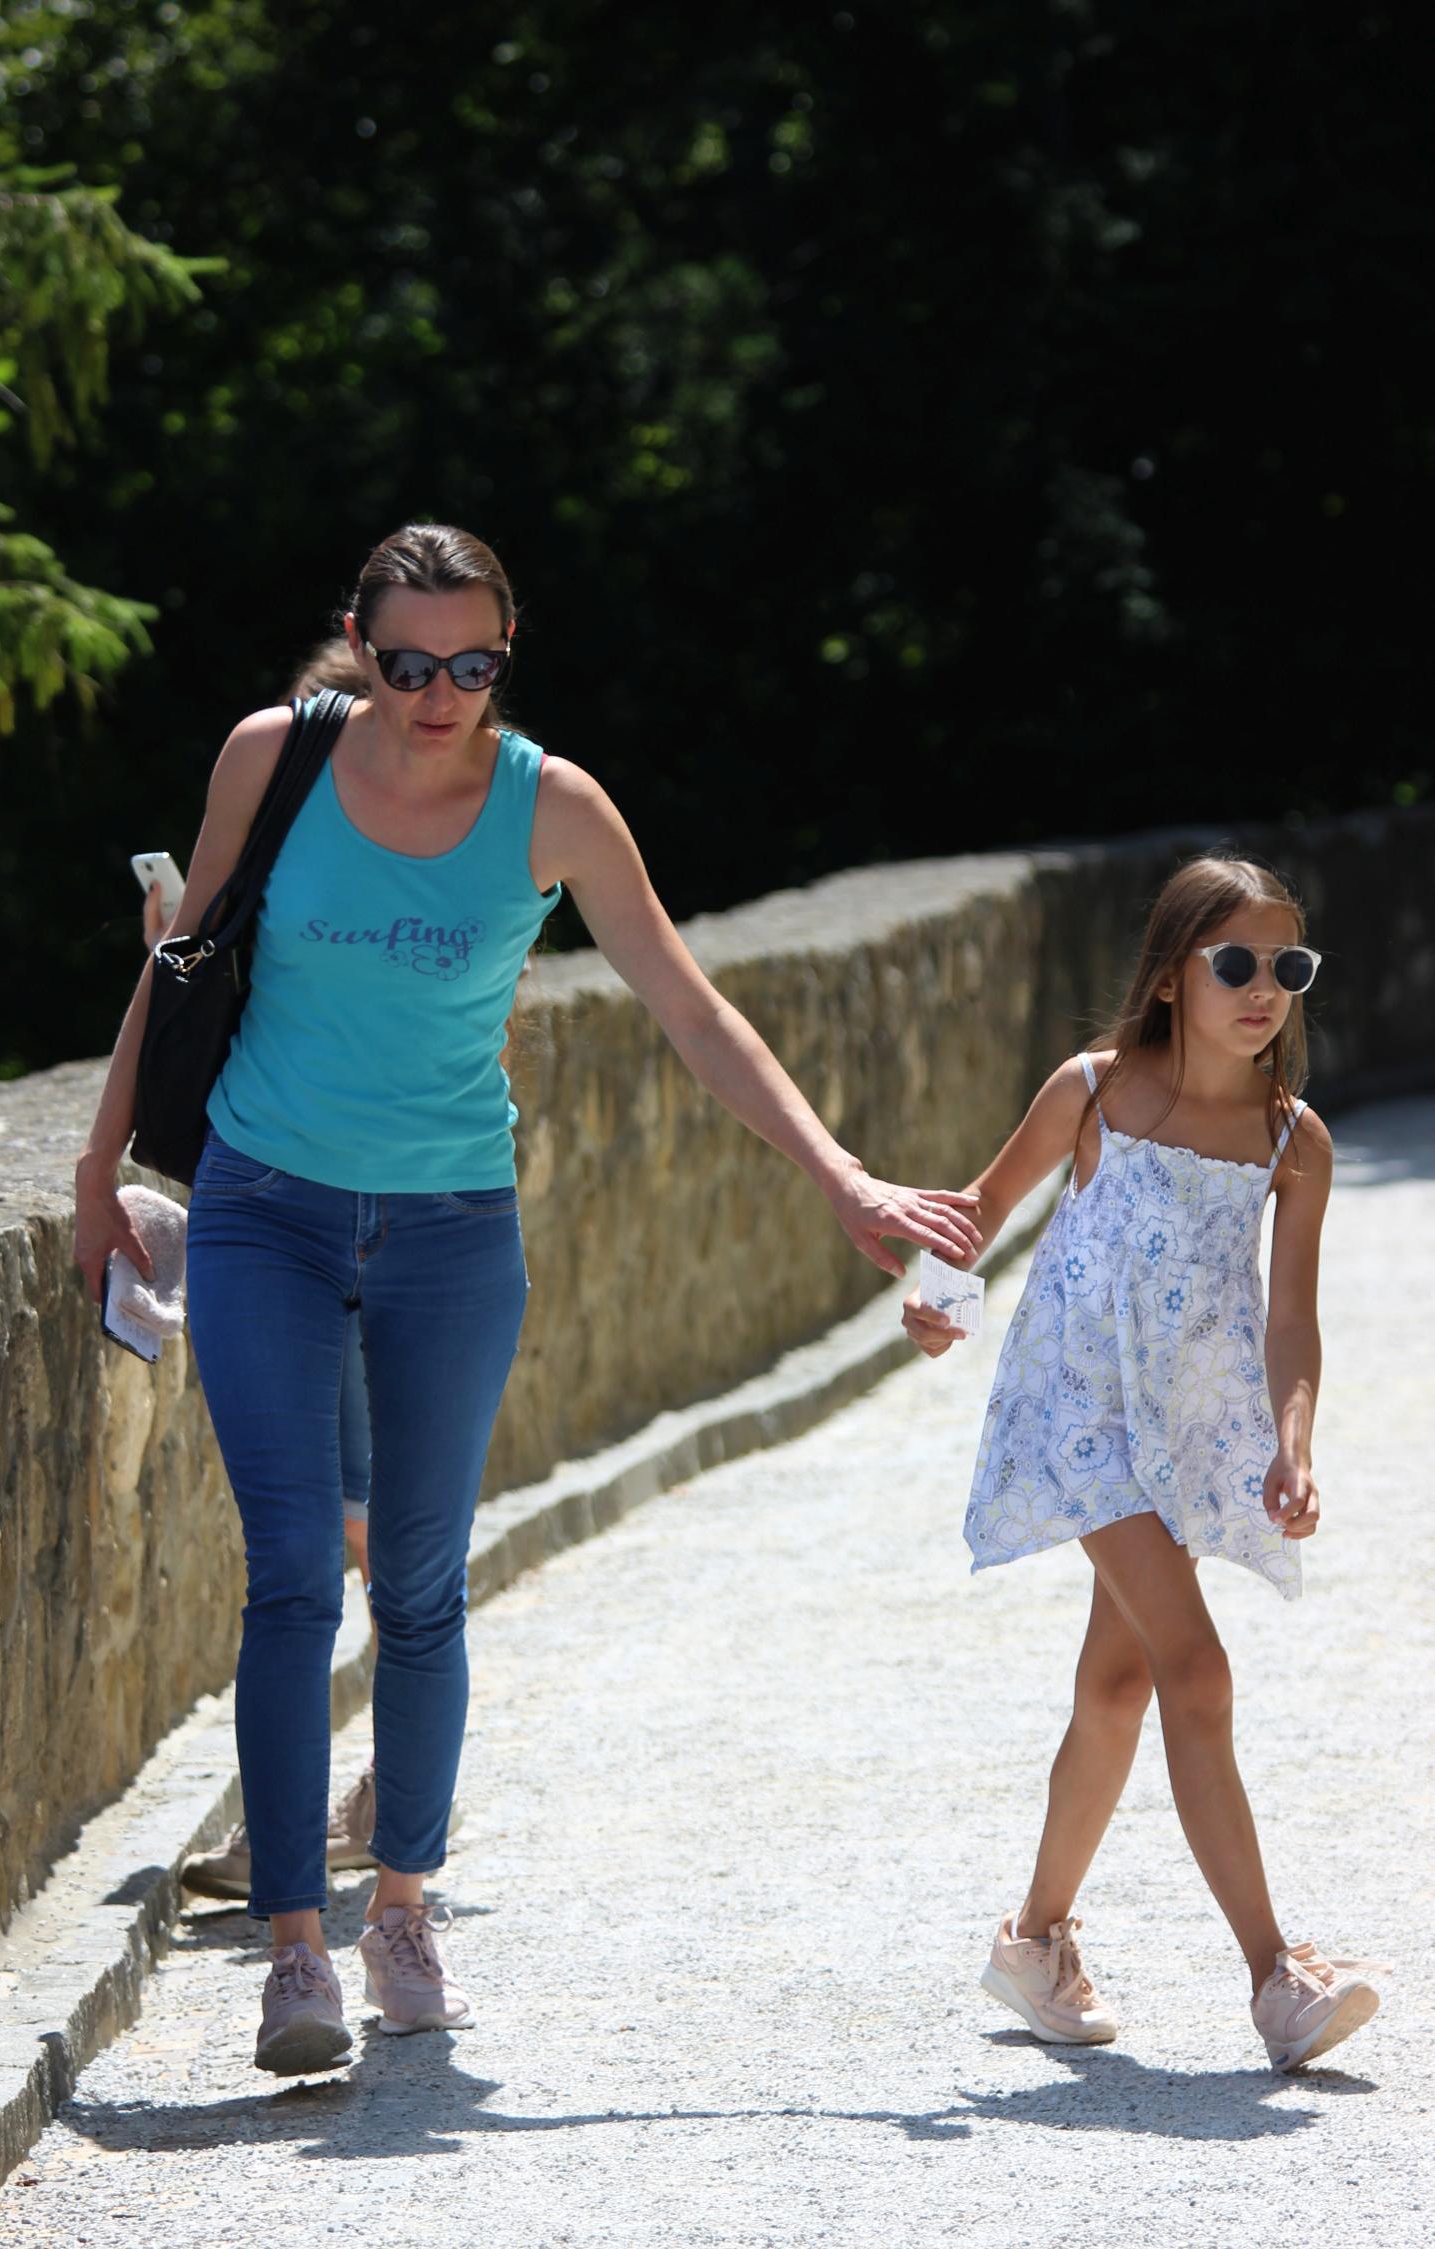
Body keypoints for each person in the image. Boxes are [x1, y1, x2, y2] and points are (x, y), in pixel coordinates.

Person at [76, 521, 982, 2076]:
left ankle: (402, 1905)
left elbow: (694, 1011)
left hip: (447, 1228)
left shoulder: (549, 806)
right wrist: (100, 1174)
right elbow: (180, 967)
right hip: (263, 1206)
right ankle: (294, 1949)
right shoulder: (271, 760)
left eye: (473, 664)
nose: (439, 694)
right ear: (358, 642)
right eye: (408, 662)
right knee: (294, 1568)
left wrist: (842, 1177)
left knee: (422, 1582)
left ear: (509, 654)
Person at [903, 855, 1381, 2073]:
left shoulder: (1293, 1141)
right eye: (1235, 963)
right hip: (1075, 1412)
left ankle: (1034, 1936)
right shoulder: (1094, 1092)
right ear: (1173, 978)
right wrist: (934, 1300)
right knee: (1197, 1666)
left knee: (1117, 1690)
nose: (1264, 987)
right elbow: (983, 1204)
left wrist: (1294, 1442)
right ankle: (1276, 1976)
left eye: (1289, 964)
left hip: (1179, 1428)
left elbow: (1291, 1320)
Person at [142, 642, 384, 1903]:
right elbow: (220, 967)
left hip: (357, 1215)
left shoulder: (420, 825)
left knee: (345, 1528)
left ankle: (351, 1814)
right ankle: (344, 1816)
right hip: (282, 1200)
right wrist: (183, 941)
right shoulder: (307, 794)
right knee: (329, 1538)